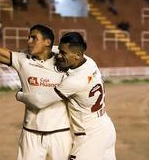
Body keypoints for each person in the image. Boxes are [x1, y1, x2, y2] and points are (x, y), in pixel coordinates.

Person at [0, 4, 72, 160]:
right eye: (28, 37)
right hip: (31, 134)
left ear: (47, 42)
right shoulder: (22, 60)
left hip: (61, 133)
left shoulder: (65, 61)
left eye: (34, 38)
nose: (29, 41)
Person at [16, 32, 116, 160]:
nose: (59, 56)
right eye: (60, 51)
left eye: (63, 54)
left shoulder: (75, 81)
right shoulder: (89, 62)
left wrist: (20, 95)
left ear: (77, 55)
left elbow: (40, 101)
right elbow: (56, 48)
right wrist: (36, 48)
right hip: (106, 128)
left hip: (90, 137)